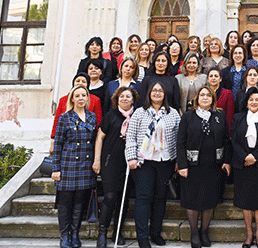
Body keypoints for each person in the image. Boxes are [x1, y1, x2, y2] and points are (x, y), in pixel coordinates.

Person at [125, 83, 180, 248]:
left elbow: (179, 138)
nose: (157, 93)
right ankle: (142, 237)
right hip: (143, 162)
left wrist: (178, 160)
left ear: (165, 94)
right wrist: (131, 158)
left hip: (165, 161)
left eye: (160, 91)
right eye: (154, 90)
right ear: (149, 94)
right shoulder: (139, 113)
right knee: (144, 197)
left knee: (160, 197)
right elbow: (131, 137)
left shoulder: (173, 114)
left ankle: (155, 233)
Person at [177, 86, 232, 248]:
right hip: (192, 166)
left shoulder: (219, 116)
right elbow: (180, 142)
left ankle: (204, 231)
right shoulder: (188, 116)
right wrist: (182, 165)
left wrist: (226, 161)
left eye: (209, 95)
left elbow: (227, 140)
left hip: (213, 166)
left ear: (213, 99)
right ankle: (194, 233)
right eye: (202, 95)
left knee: (209, 200)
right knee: (192, 200)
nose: (205, 98)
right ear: (197, 98)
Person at [52, 85, 97, 248]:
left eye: (83, 95)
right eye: (77, 95)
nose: (80, 98)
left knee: (79, 202)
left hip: (85, 165)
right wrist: (55, 168)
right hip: (68, 163)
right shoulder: (65, 118)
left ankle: (75, 234)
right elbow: (57, 145)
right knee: (65, 202)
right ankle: (64, 236)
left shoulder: (92, 117)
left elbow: (94, 142)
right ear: (72, 99)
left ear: (87, 98)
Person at [230, 88, 258, 248]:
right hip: (242, 165)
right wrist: (245, 157)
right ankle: (249, 234)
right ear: (246, 102)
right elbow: (233, 140)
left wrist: (255, 156)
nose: (254, 102)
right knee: (245, 201)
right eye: (251, 100)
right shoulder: (238, 117)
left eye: (257, 99)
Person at [93, 86, 138, 248]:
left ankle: (117, 232)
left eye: (128, 96)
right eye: (121, 97)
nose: (124, 99)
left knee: (124, 198)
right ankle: (102, 232)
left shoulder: (137, 116)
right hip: (110, 162)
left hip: (130, 163)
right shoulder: (111, 116)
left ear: (133, 99)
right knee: (110, 196)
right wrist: (97, 160)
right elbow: (99, 138)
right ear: (116, 99)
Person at [50, 73, 102, 155]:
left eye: (83, 81)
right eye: (77, 81)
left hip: (87, 142)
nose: (80, 83)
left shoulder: (95, 100)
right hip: (68, 140)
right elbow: (57, 121)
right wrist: (53, 140)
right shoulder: (63, 100)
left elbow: (98, 122)